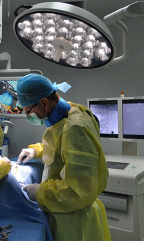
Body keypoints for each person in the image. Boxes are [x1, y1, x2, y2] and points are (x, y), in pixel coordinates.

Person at [16, 74, 111, 241]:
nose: (28, 115)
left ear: (44, 102)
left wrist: (39, 191)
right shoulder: (72, 110)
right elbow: (63, 146)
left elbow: (77, 190)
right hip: (67, 212)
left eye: (29, 110)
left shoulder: (76, 128)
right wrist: (37, 151)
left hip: (76, 222)